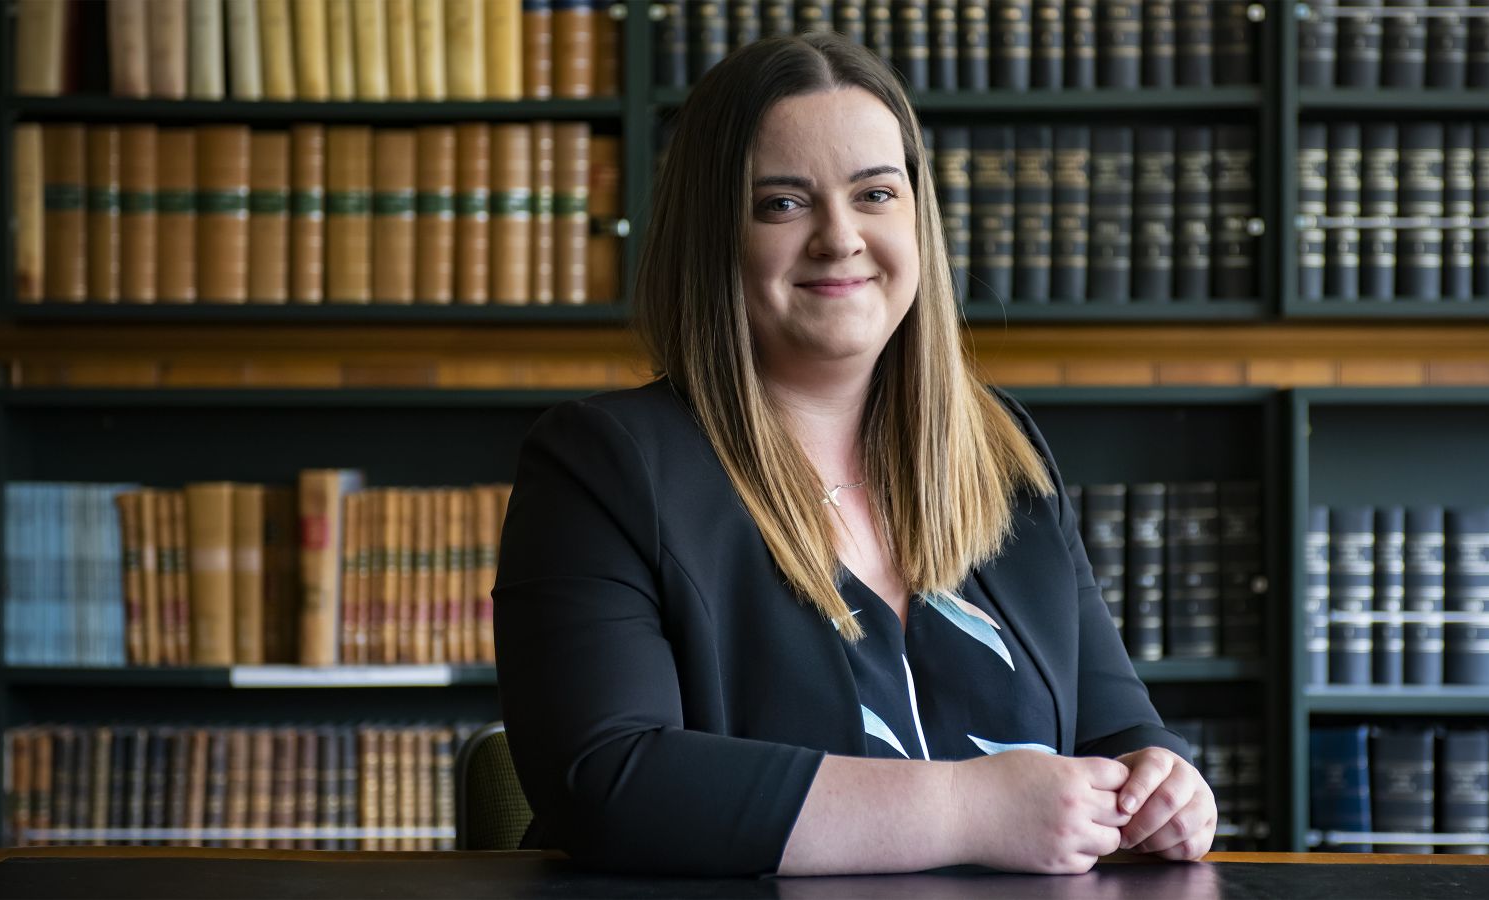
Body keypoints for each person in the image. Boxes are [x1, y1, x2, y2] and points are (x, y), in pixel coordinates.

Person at [493, 32, 1216, 877]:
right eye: (782, 203)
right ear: (711, 235)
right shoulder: (603, 466)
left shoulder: (1000, 454)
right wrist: (968, 810)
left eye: (874, 193)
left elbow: (1114, 723)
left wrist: (1161, 778)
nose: (840, 238)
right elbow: (605, 780)